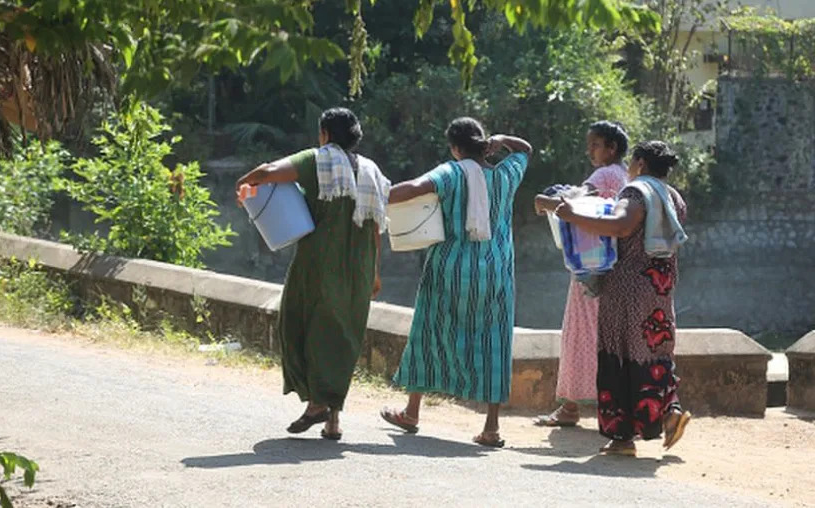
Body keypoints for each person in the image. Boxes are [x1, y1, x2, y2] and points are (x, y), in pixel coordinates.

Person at [235, 107, 390, 441]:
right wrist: (375, 273)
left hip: (319, 265)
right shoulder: (372, 170)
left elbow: (267, 171)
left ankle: (316, 405)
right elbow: (376, 229)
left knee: (302, 326)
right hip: (360, 269)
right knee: (341, 340)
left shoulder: (318, 159)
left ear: (324, 134)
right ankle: (332, 419)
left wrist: (243, 183)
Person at [379, 117, 532, 448]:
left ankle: (412, 411)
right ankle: (491, 426)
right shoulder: (506, 175)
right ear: (484, 145)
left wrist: (377, 196)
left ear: (455, 147)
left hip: (449, 269)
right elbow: (525, 150)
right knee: (495, 342)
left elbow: (414, 189)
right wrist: (504, 138)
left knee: (427, 331)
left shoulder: (451, 172)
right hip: (496, 274)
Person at [543, 140, 691, 456]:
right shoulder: (672, 196)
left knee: (618, 352)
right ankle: (669, 411)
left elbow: (622, 226)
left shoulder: (636, 191)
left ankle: (623, 437)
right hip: (660, 286)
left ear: (639, 162)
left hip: (627, 286)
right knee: (654, 348)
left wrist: (571, 216)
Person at [533, 121, 630, 427]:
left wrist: (544, 203)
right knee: (605, 337)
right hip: (615, 267)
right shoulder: (626, 176)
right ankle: (604, 405)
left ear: (611, 148)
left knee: (579, 333)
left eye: (595, 145)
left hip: (588, 265)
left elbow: (575, 204)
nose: (590, 151)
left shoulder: (604, 175)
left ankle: (570, 406)